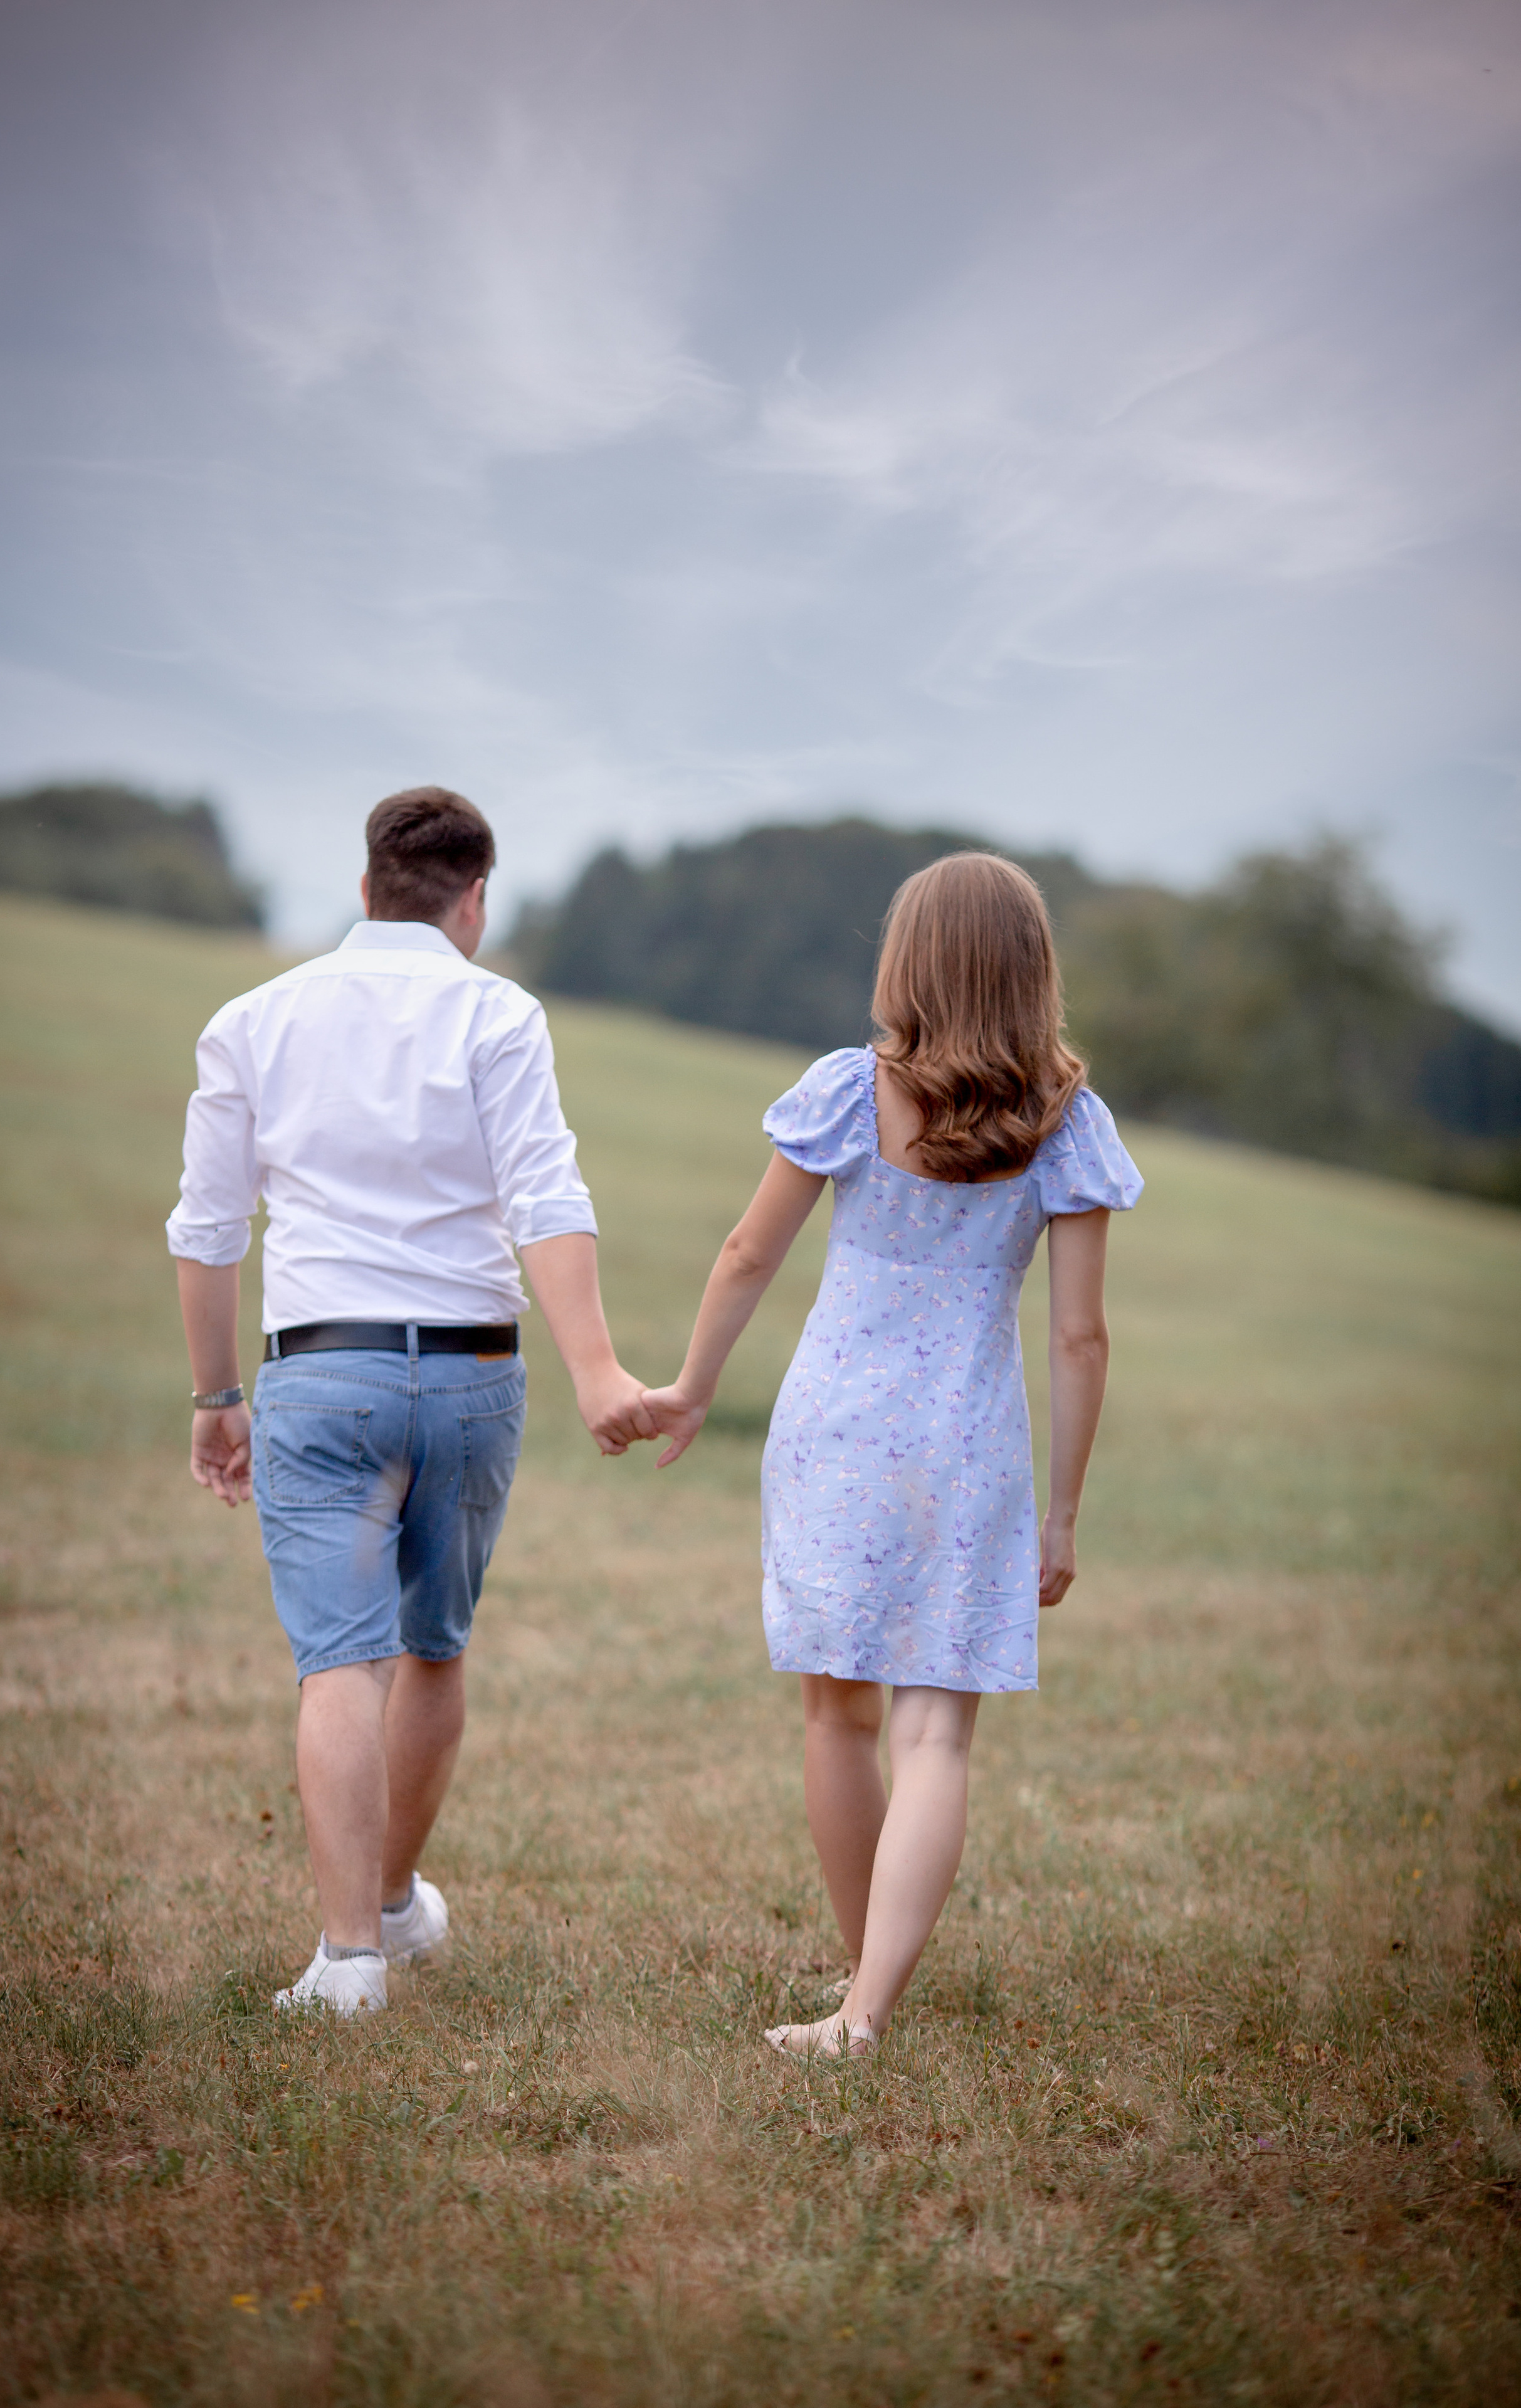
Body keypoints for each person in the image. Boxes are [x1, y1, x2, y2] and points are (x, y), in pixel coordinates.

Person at [166, 786, 655, 2016]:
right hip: (473, 1376)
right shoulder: (498, 1014)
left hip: (320, 1372)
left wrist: (214, 1394)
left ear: (367, 882)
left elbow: (209, 1230)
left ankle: (348, 1963)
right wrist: (597, 1368)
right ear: (472, 897)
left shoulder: (254, 1020)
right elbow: (546, 1197)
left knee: (341, 1662)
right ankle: (389, 1899)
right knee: (431, 1650)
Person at [645, 852, 1142, 2056]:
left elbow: (744, 1255)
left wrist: (693, 1388)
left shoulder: (845, 1092)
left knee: (838, 1719)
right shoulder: (1067, 1121)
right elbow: (1079, 1338)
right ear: (1033, 974)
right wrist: (1063, 1517)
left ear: (908, 960)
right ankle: (867, 2003)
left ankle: (858, 1995)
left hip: (836, 1434)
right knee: (937, 1736)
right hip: (969, 1448)